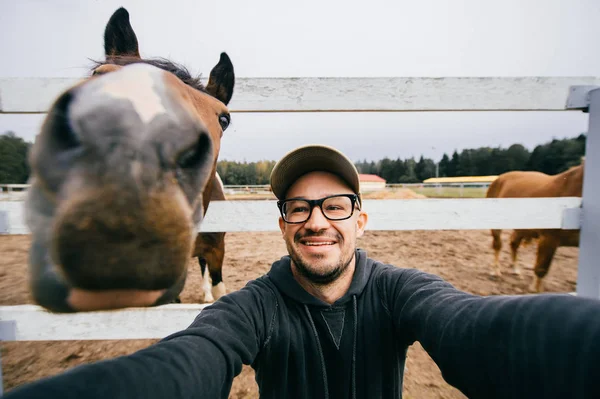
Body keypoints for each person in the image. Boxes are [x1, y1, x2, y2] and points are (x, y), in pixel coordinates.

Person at [5, 144, 600, 399]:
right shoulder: (253, 306)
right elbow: (194, 358)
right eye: (299, 207)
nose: (317, 221)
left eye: (335, 205)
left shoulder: (400, 291)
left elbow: (472, 326)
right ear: (283, 222)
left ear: (361, 221)